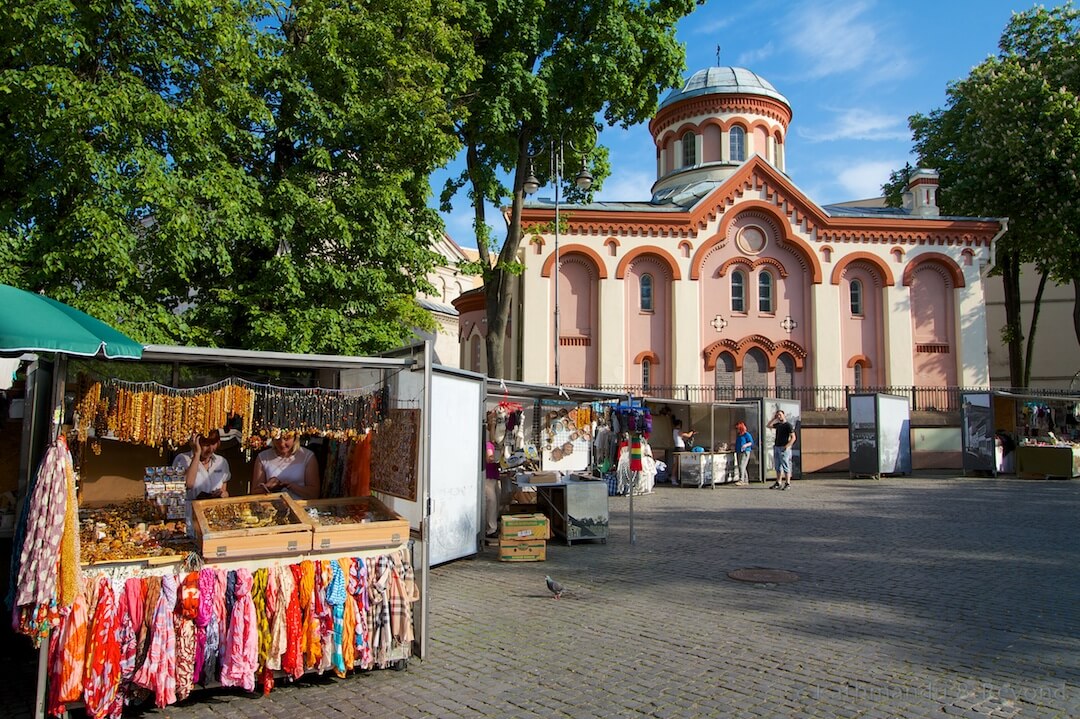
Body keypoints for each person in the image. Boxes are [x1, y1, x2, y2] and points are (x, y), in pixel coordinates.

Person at [171, 429, 230, 530]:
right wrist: (197, 454)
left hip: (214, 516)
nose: (210, 449)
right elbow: (188, 484)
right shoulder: (182, 459)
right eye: (206, 445)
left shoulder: (221, 462)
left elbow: (225, 491)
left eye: (213, 444)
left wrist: (223, 494)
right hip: (191, 516)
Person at [254, 430, 320, 500]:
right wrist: (268, 487)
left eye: (287, 438)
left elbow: (314, 494)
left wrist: (291, 486)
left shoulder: (307, 456)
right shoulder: (263, 457)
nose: (282, 444)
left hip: (301, 506)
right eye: (277, 439)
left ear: (295, 437)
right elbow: (254, 493)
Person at [766, 409, 796, 490]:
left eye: (780, 415)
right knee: (777, 466)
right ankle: (778, 482)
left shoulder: (788, 425)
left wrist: (787, 446)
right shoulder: (778, 425)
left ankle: (787, 483)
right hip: (777, 446)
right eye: (778, 415)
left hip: (784, 447)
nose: (779, 417)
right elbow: (768, 425)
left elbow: (793, 437)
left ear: (784, 415)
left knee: (785, 465)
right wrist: (773, 418)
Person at [484, 430, 501, 544]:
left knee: (494, 502)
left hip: (493, 477)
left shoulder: (491, 445)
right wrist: (499, 461)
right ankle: (491, 529)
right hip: (488, 477)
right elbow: (489, 458)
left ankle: (492, 527)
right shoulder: (488, 444)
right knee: (492, 502)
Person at [733, 421, 753, 485]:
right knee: (741, 466)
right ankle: (745, 480)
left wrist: (745, 445)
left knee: (742, 465)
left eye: (738, 429)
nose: (737, 430)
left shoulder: (747, 434)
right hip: (739, 451)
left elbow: (751, 442)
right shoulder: (739, 435)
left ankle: (741, 480)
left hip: (745, 451)